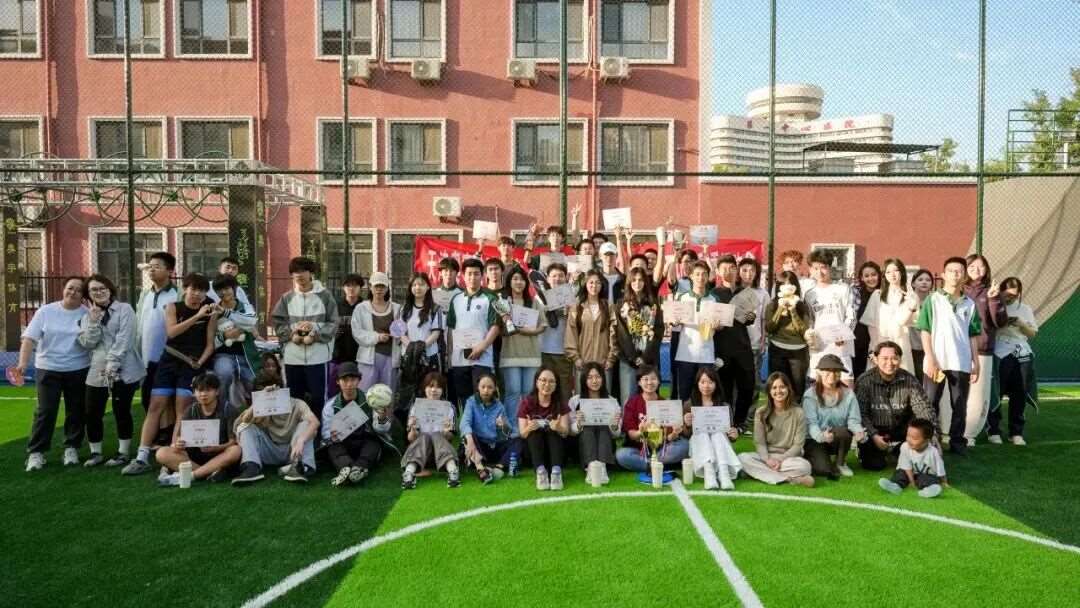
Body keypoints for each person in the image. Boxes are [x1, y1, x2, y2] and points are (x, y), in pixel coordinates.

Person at [123, 273, 218, 476]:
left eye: (201, 290)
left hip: (192, 365)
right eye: (193, 289)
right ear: (185, 289)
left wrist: (200, 362)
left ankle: (173, 455)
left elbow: (210, 344)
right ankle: (141, 456)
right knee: (156, 406)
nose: (196, 294)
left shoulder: (210, 312)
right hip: (169, 361)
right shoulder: (173, 307)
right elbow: (172, 332)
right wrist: (197, 316)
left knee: (182, 408)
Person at [19, 276, 90, 471]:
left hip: (78, 368)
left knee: (76, 410)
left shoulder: (87, 314)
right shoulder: (46, 311)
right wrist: (22, 364)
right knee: (45, 411)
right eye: (70, 288)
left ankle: (71, 448)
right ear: (63, 289)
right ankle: (36, 452)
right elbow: (29, 339)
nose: (73, 292)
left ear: (83, 295)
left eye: (78, 290)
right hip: (48, 368)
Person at [78, 274, 144, 467]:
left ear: (110, 289)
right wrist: (93, 322)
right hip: (98, 368)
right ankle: (96, 452)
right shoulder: (87, 316)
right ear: (88, 294)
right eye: (94, 290)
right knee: (92, 411)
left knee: (121, 410)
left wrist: (112, 363)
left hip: (125, 367)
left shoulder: (125, 309)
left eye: (102, 288)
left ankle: (123, 452)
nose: (99, 292)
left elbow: (125, 339)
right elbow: (88, 343)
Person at [917, 256, 981, 455]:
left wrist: (976, 362)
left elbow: (972, 335)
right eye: (951, 270)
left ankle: (957, 442)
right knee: (930, 403)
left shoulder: (969, 304)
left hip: (960, 361)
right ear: (943, 275)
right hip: (936, 361)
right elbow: (925, 330)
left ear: (964, 276)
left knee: (959, 404)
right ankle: (930, 440)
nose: (955, 274)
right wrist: (930, 358)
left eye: (959, 271)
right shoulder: (933, 300)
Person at [271, 256, 339, 415]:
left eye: (303, 271)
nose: (299, 275)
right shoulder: (286, 298)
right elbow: (278, 322)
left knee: (319, 398)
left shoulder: (325, 296)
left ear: (311, 273)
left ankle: (319, 429)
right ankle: (296, 429)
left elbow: (334, 322)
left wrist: (315, 334)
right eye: (295, 272)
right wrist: (291, 334)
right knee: (293, 399)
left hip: (318, 357)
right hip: (292, 357)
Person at [855, 341, 936, 471]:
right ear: (876, 359)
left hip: (902, 430)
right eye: (885, 358)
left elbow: (923, 409)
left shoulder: (909, 380)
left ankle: (897, 450)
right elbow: (860, 414)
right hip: (874, 430)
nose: (890, 363)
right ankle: (868, 451)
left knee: (915, 458)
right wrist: (874, 435)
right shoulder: (864, 381)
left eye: (894, 358)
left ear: (900, 359)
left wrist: (931, 435)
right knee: (875, 465)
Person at [232, 371, 321, 485]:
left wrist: (301, 440)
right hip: (269, 449)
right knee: (245, 427)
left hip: (294, 449)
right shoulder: (259, 407)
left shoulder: (297, 403)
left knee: (307, 424)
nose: (271, 396)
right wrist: (261, 399)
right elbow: (240, 423)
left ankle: (300, 467)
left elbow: (315, 422)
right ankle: (251, 468)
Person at [155, 372, 242, 486]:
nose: (203, 394)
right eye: (199, 391)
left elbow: (233, 441)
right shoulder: (190, 410)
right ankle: (210, 472)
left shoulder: (228, 409)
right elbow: (180, 438)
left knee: (235, 450)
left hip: (220, 455)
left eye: (208, 390)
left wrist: (216, 448)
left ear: (217, 391)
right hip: (194, 457)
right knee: (162, 453)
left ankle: (191, 475)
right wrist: (179, 444)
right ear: (194, 393)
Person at [737, 372, 814, 487]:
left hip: (788, 459)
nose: (778, 391)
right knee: (741, 458)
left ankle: (756, 473)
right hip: (766, 456)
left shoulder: (799, 413)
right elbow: (760, 443)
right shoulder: (761, 412)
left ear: (788, 389)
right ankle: (790, 479)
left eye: (782, 387)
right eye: (774, 388)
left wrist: (780, 460)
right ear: (769, 391)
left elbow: (798, 445)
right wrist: (767, 459)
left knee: (805, 467)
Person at [322, 364, 393, 487]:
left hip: (364, 439)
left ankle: (358, 468)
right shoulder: (330, 406)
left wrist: (382, 417)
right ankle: (346, 467)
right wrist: (331, 434)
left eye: (353, 380)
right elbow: (325, 433)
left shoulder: (371, 400)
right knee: (333, 448)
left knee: (374, 444)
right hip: (343, 442)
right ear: (338, 382)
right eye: (345, 380)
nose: (349, 384)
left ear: (359, 380)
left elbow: (381, 430)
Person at [963, 254, 1008, 446]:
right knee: (957, 392)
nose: (976, 270)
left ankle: (970, 433)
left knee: (979, 394)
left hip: (982, 351)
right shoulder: (958, 290)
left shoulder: (992, 291)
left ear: (986, 269)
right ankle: (952, 431)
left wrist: (994, 299)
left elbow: (1000, 322)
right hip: (958, 350)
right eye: (972, 266)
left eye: (981, 266)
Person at [988, 277, 1038, 446]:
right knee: (997, 391)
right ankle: (993, 430)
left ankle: (1016, 432)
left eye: (1014, 295)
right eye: (1007, 294)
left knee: (1020, 392)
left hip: (1021, 352)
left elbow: (1032, 333)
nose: (1010, 298)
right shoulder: (994, 304)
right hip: (1000, 351)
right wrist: (1002, 322)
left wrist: (1021, 323)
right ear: (1001, 291)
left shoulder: (1025, 308)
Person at [445, 258, 501, 410]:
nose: (472, 277)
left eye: (476, 274)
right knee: (463, 399)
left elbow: (496, 326)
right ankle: (466, 425)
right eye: (469, 274)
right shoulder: (456, 299)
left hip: (482, 359)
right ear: (463, 276)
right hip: (459, 360)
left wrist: (482, 346)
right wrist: (450, 356)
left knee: (483, 398)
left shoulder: (491, 297)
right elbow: (451, 328)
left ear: (482, 275)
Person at [133, 252, 178, 435]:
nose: (151, 270)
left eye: (157, 267)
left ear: (170, 271)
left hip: (168, 357)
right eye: (150, 266)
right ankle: (156, 435)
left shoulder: (178, 295)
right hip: (146, 358)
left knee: (168, 401)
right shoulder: (145, 294)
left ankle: (168, 436)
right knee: (147, 398)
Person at [712, 255, 758, 431]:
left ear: (736, 270)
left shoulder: (744, 292)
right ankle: (726, 423)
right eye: (724, 268)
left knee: (747, 385)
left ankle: (739, 422)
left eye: (731, 267)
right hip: (722, 347)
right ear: (718, 271)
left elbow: (748, 319)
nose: (728, 271)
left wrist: (750, 317)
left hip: (742, 346)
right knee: (724, 388)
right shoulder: (713, 294)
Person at [616, 365, 690, 472]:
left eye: (653, 379)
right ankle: (656, 465)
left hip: (661, 449)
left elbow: (668, 438)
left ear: (659, 381)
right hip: (639, 450)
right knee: (621, 455)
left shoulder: (665, 404)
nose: (649, 383)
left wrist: (673, 434)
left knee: (685, 445)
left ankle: (651, 464)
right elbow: (631, 435)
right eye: (645, 379)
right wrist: (641, 431)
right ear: (639, 382)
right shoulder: (632, 403)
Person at [802, 355, 865, 479]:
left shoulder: (849, 394)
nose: (832, 374)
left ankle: (840, 463)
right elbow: (811, 423)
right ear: (819, 372)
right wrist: (821, 436)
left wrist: (858, 432)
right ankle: (813, 457)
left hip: (837, 437)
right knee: (823, 470)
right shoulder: (810, 395)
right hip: (814, 439)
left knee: (843, 432)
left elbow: (853, 420)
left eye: (836, 371)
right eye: (828, 370)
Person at [499, 266, 547, 421]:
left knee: (529, 392)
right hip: (510, 354)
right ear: (509, 282)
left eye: (521, 279)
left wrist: (529, 331)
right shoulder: (503, 303)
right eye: (515, 279)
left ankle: (527, 424)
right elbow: (498, 328)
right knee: (513, 391)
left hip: (531, 354)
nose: (518, 282)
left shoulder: (533, 302)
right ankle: (512, 427)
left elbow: (543, 325)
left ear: (526, 283)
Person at [671, 261, 722, 402]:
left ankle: (704, 417)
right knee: (684, 394)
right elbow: (674, 324)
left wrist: (718, 326)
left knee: (705, 394)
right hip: (685, 354)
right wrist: (675, 321)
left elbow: (720, 326)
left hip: (706, 354)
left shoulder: (714, 299)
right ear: (691, 276)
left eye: (704, 274)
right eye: (697, 274)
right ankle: (685, 417)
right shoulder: (682, 297)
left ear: (708, 276)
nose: (701, 277)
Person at [612, 267, 664, 403]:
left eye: (640, 280)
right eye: (634, 280)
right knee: (628, 399)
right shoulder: (621, 304)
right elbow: (621, 333)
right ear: (629, 282)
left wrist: (645, 357)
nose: (637, 283)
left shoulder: (653, 304)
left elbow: (658, 331)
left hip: (649, 359)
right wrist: (633, 358)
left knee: (650, 400)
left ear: (645, 282)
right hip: (628, 360)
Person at [683, 367, 741, 491]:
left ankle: (724, 474)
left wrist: (733, 434)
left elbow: (729, 434)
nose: (706, 386)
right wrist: (687, 424)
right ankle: (709, 474)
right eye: (703, 382)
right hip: (699, 444)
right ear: (697, 384)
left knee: (718, 434)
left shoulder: (724, 406)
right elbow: (686, 434)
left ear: (716, 384)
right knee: (702, 434)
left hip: (719, 443)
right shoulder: (689, 404)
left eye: (710, 382)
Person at [804, 250, 857, 379]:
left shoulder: (843, 289)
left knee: (845, 381)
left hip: (841, 344)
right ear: (810, 270)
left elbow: (851, 316)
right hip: (819, 345)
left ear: (830, 268)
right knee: (818, 382)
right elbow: (810, 321)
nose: (820, 272)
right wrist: (811, 337)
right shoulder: (809, 294)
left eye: (823, 267)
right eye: (815, 268)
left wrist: (843, 335)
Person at [402, 372, 460, 488]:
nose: (434, 390)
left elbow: (450, 438)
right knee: (424, 436)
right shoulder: (416, 407)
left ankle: (453, 472)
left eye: (438, 387)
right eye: (430, 386)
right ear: (424, 388)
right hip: (421, 455)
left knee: (437, 435)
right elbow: (411, 439)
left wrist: (446, 432)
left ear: (443, 390)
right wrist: (412, 429)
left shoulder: (449, 408)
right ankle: (409, 473)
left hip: (442, 455)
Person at [861, 259, 919, 374]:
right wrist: (874, 350)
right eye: (888, 272)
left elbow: (907, 322)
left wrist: (911, 306)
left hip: (901, 343)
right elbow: (871, 325)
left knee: (901, 379)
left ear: (902, 272)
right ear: (884, 275)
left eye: (896, 270)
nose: (892, 275)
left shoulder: (911, 296)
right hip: (880, 344)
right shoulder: (877, 295)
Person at [517, 368, 571, 491]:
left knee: (553, 430)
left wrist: (559, 427)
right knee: (534, 431)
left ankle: (556, 473)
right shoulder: (526, 403)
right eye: (543, 380)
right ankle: (541, 473)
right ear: (537, 382)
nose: (547, 384)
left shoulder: (560, 403)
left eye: (551, 381)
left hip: (556, 451)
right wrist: (529, 428)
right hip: (535, 451)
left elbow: (566, 432)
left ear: (556, 385)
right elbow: (522, 434)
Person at [210, 274, 258, 409]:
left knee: (255, 382)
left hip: (247, 355)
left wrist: (226, 313)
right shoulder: (213, 311)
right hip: (223, 355)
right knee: (224, 374)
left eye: (227, 288)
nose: (224, 292)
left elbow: (251, 322)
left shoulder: (246, 307)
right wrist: (224, 336)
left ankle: (258, 415)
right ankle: (221, 412)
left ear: (234, 288)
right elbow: (210, 340)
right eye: (220, 290)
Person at [567, 363, 621, 485]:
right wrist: (579, 423)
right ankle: (591, 467)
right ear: (584, 380)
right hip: (583, 446)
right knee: (587, 426)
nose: (594, 381)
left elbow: (617, 434)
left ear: (603, 379)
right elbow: (571, 432)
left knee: (603, 426)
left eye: (597, 377)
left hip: (606, 444)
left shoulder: (612, 401)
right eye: (590, 377)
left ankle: (602, 468)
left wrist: (614, 425)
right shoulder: (575, 401)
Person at [459, 372, 515, 484]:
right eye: (483, 387)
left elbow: (508, 432)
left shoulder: (499, 406)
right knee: (468, 436)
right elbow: (464, 423)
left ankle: (499, 467)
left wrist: (503, 425)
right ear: (478, 387)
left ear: (494, 389)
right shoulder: (471, 402)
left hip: (495, 446)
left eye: (490, 387)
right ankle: (481, 469)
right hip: (479, 446)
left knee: (517, 441)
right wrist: (469, 438)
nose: (486, 390)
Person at [565, 270, 617, 387]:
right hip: (582, 362)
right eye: (591, 282)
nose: (594, 286)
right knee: (582, 396)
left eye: (598, 283)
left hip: (603, 363)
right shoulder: (577, 307)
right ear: (585, 284)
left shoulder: (609, 307)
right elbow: (571, 334)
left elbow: (614, 334)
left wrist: (611, 359)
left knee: (603, 395)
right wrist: (576, 358)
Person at [351, 271, 401, 392]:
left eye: (382, 286)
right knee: (365, 393)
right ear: (370, 287)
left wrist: (396, 334)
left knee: (387, 394)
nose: (379, 289)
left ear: (387, 288)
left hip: (391, 359)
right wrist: (377, 337)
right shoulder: (361, 308)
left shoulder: (397, 308)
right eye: (376, 286)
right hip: (367, 359)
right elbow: (357, 332)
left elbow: (402, 332)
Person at [765, 271, 813, 397]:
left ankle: (796, 409)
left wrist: (793, 311)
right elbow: (769, 328)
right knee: (777, 389)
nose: (787, 288)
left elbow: (803, 330)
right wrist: (780, 308)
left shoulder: (801, 305)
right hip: (777, 349)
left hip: (798, 352)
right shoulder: (772, 304)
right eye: (783, 285)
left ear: (795, 287)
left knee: (797, 389)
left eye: (790, 285)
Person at [878, 419, 947, 498]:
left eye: (914, 438)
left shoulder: (934, 452)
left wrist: (944, 481)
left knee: (928, 479)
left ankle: (928, 490)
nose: (909, 440)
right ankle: (895, 485)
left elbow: (940, 468)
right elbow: (906, 466)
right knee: (900, 473)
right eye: (908, 436)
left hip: (925, 474)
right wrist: (912, 482)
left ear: (927, 441)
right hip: (908, 472)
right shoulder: (905, 446)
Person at [537, 262, 573, 403]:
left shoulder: (570, 296)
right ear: (547, 278)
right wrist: (547, 310)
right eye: (554, 276)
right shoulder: (539, 297)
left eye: (561, 276)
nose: (557, 279)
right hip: (543, 350)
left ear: (566, 278)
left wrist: (570, 312)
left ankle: (564, 415)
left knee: (564, 388)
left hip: (563, 351)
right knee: (544, 388)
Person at [330, 273, 367, 394]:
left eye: (355, 285)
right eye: (348, 285)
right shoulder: (335, 305)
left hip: (359, 354)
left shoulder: (365, 306)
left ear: (360, 288)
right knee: (335, 387)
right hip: (338, 354)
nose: (351, 288)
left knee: (357, 388)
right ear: (343, 287)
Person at [737, 257, 769, 392]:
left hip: (754, 343)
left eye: (752, 270)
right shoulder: (734, 290)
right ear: (738, 272)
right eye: (744, 270)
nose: (748, 274)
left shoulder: (763, 293)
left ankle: (752, 406)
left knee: (753, 380)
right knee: (737, 381)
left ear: (757, 273)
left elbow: (764, 319)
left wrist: (763, 340)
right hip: (737, 344)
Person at [852, 261, 881, 379]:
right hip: (859, 340)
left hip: (877, 338)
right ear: (862, 278)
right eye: (866, 276)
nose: (871, 278)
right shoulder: (856, 293)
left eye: (873, 275)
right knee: (858, 373)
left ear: (879, 275)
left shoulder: (884, 293)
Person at [908, 269, 935, 383]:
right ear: (913, 283)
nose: (924, 282)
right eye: (920, 280)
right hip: (911, 346)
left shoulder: (935, 301)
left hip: (930, 347)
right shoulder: (907, 300)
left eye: (928, 280)